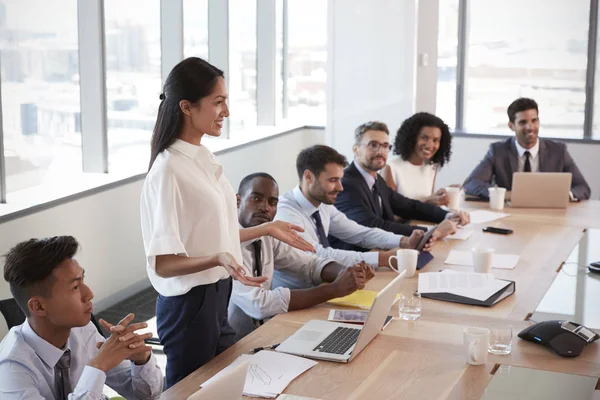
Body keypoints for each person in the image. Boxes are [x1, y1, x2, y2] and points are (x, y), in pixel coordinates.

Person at [140, 57, 315, 388]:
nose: (227, 112)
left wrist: (265, 229)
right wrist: (217, 258)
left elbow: (215, 236)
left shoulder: (203, 158)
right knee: (189, 392)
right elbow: (163, 263)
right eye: (218, 102)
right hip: (190, 303)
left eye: (226, 101)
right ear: (187, 107)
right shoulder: (168, 171)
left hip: (217, 293)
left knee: (227, 385)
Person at [0, 236, 163, 399]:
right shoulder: (11, 368)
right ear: (39, 306)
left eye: (82, 280)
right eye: (75, 287)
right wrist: (98, 366)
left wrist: (140, 360)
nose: (89, 294)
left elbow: (146, 395)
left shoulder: (83, 331)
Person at [228, 173, 374, 340]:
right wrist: (332, 290)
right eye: (256, 198)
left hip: (267, 332)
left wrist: (347, 273)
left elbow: (308, 264)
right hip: (235, 344)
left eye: (272, 202)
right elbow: (259, 304)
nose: (265, 207)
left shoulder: (268, 234)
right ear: (237, 201)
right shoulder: (227, 244)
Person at [275, 145, 429, 269]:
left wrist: (403, 241)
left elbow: (359, 233)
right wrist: (381, 258)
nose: (340, 187)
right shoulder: (286, 213)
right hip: (297, 297)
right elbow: (318, 254)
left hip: (324, 286)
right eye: (333, 180)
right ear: (308, 177)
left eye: (340, 179)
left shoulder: (322, 204)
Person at [333, 121, 469, 245]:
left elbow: (408, 205)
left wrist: (447, 215)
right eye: (373, 145)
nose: (381, 152)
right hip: (357, 260)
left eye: (385, 146)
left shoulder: (375, 178)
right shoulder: (347, 184)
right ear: (356, 149)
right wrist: (432, 231)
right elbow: (373, 225)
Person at [464, 97, 591, 200]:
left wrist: (564, 196)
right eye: (523, 122)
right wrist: (506, 195)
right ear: (511, 126)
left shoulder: (558, 151)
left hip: (550, 214)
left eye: (534, 120)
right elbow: (472, 183)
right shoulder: (498, 151)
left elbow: (582, 188)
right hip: (512, 214)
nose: (530, 127)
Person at [381, 113, 456, 206]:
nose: (430, 145)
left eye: (435, 140)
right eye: (424, 138)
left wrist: (443, 194)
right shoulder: (390, 169)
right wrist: (426, 202)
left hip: (423, 220)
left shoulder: (431, 166)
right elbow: (391, 211)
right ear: (411, 138)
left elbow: (427, 203)